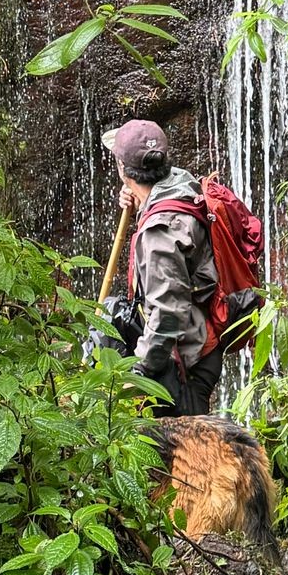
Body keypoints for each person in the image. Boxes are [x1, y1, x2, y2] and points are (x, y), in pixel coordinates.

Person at [100, 118, 222, 416]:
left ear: (123, 170)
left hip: (185, 359)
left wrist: (138, 375)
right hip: (197, 343)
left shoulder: (160, 233)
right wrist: (139, 199)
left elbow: (168, 314)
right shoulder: (181, 185)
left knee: (187, 455)